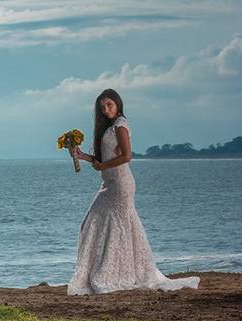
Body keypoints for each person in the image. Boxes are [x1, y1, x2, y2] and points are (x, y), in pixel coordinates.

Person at [66, 89, 200, 295]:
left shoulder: (120, 124)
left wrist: (103, 167)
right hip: (108, 182)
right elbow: (102, 161)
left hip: (121, 183)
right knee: (101, 224)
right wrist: (82, 155)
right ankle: (114, 271)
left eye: (109, 105)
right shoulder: (107, 127)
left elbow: (127, 156)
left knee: (102, 222)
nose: (106, 110)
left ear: (118, 104)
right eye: (102, 107)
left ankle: (114, 273)